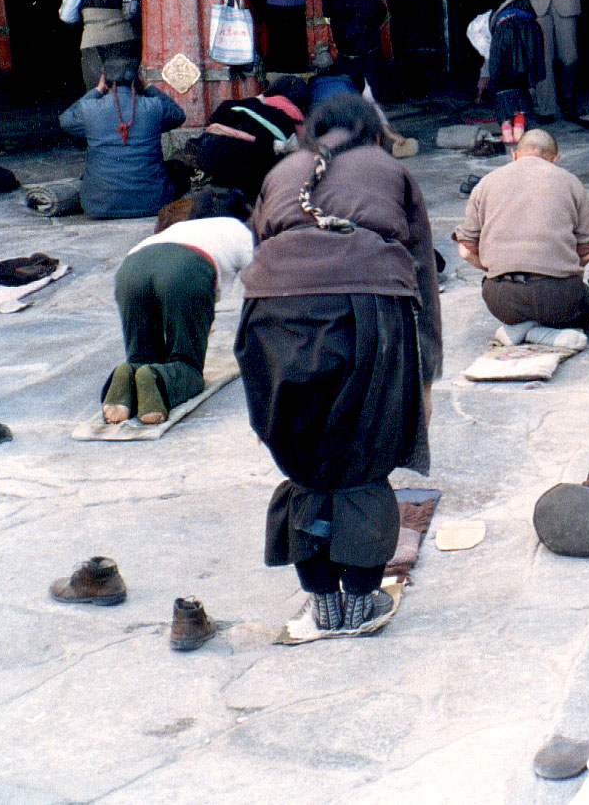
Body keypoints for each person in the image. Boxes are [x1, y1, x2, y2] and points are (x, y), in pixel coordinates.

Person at [235, 92, 442, 633]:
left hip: (272, 312)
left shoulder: (285, 169)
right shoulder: (387, 168)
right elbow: (422, 271)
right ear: (371, 130)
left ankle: (321, 600)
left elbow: (259, 243)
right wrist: (426, 371)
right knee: (364, 452)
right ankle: (362, 599)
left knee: (304, 455)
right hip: (367, 307)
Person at [102, 186, 253, 425]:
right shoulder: (239, 230)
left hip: (132, 266)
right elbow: (261, 283)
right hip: (186, 267)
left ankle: (126, 381)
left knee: (142, 356)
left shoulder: (179, 227)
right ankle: (158, 380)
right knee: (186, 366)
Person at [453, 128, 589, 346]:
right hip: (559, 299)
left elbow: (465, 251)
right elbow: (586, 252)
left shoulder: (486, 183)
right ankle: (546, 333)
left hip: (502, 301)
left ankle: (521, 329)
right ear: (555, 159)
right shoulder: (570, 182)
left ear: (514, 154)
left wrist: (496, 267)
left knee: (512, 299)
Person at [60, 59, 187, 219]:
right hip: (154, 203)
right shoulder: (153, 106)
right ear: (137, 80)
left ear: (105, 80)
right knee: (177, 168)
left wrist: (97, 90)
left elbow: (65, 121)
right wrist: (148, 87)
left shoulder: (90, 108)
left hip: (99, 205)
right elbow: (179, 115)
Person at [480, 0, 545, 142]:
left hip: (504, 45)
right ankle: (519, 132)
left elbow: (489, 54)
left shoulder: (494, 16)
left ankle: (507, 134)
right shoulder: (526, 7)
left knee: (502, 90)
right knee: (521, 89)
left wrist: (487, 75)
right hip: (528, 43)